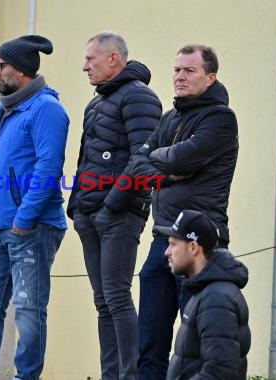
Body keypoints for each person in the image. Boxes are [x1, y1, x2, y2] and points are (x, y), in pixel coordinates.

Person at [128, 44, 239, 379]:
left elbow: (182, 159)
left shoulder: (220, 119)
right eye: (177, 69)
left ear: (210, 77)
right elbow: (136, 164)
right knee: (149, 347)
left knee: (196, 348)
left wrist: (160, 158)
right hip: (161, 243)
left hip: (199, 245)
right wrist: (166, 168)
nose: (179, 76)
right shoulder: (170, 118)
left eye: (189, 70)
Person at [0, 35, 69, 380]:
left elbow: (47, 168)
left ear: (21, 70)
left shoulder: (46, 108)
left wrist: (24, 219)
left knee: (28, 310)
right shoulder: (2, 108)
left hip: (31, 229)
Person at [66, 32, 161, 380]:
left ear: (113, 59)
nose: (84, 66)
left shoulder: (139, 97)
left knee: (117, 297)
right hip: (90, 215)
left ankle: (129, 375)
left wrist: (110, 208)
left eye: (90, 59)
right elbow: (85, 161)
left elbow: (143, 159)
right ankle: (112, 375)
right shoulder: (97, 103)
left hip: (119, 215)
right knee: (103, 301)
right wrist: (78, 209)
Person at [154, 209, 250, 380]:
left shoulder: (216, 299)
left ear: (193, 247)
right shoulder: (205, 291)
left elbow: (220, 372)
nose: (167, 252)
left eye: (173, 244)